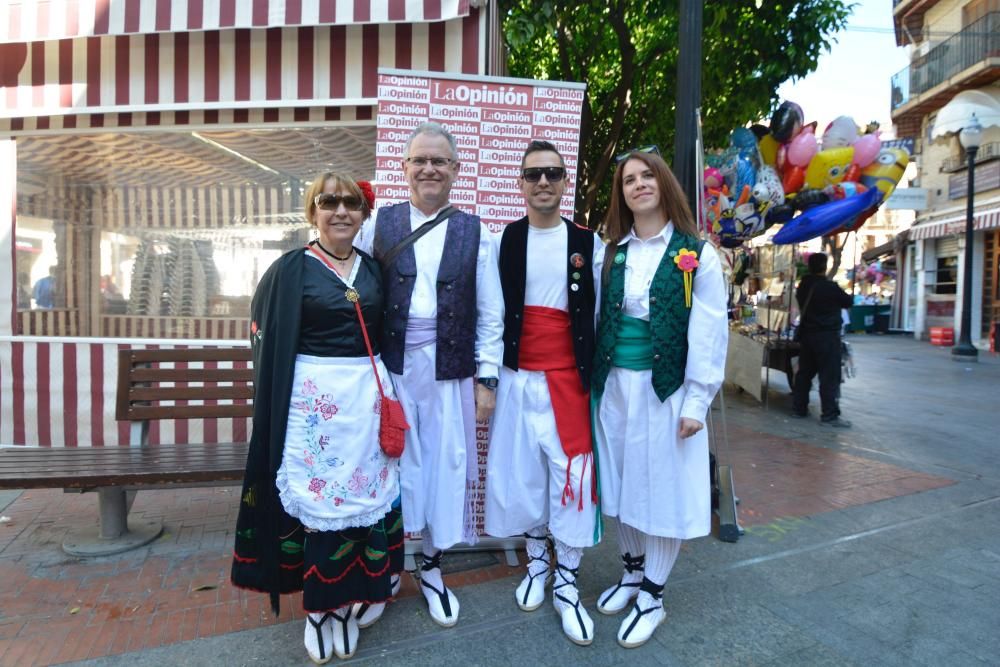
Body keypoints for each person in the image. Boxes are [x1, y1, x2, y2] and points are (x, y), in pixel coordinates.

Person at [231, 173, 404, 663]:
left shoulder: (373, 269)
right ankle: (319, 610)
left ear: (363, 213)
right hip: (313, 409)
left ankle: (350, 602)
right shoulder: (289, 270)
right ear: (313, 212)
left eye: (350, 202)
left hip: (365, 405)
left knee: (361, 499)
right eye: (329, 202)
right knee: (319, 504)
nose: (341, 211)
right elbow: (265, 344)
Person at [363, 122, 503, 628]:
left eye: (439, 161)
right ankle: (385, 571)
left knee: (445, 468)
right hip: (393, 372)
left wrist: (487, 379)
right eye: (419, 160)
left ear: (455, 171)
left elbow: (491, 314)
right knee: (390, 468)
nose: (429, 169)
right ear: (404, 168)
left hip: (450, 374)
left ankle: (432, 567)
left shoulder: (476, 231)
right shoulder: (375, 225)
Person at [591, 150, 728, 648]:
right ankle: (631, 572)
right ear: (621, 193)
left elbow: (709, 332)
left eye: (647, 175)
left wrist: (696, 402)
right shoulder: (613, 252)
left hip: (665, 390)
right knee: (625, 484)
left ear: (663, 182)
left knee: (662, 488)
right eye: (629, 180)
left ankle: (653, 592)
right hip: (615, 390)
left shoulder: (697, 254)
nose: (638, 184)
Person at [484, 140, 602, 645]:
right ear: (521, 183)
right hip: (516, 377)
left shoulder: (588, 243)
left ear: (564, 180)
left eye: (553, 173)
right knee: (523, 473)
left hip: (567, 380)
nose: (544, 182)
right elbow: (492, 315)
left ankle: (568, 581)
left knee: (571, 475)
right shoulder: (503, 241)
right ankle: (537, 564)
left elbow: (597, 317)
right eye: (533, 175)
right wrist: (488, 378)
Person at [791, 252, 853, 427]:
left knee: (804, 374)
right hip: (827, 337)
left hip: (808, 336)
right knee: (829, 376)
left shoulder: (803, 286)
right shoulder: (829, 287)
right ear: (824, 267)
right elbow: (848, 302)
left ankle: (799, 408)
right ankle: (829, 415)